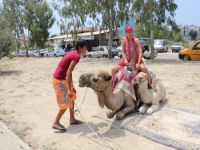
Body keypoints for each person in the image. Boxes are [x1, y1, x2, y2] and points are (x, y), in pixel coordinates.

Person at [52, 39, 87, 132]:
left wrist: (71, 86)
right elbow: (69, 72)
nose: (86, 49)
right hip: (59, 80)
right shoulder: (76, 56)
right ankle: (56, 122)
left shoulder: (74, 53)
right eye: (85, 47)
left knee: (72, 97)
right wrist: (68, 89)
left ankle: (72, 119)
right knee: (66, 101)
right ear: (80, 48)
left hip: (62, 78)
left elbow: (68, 72)